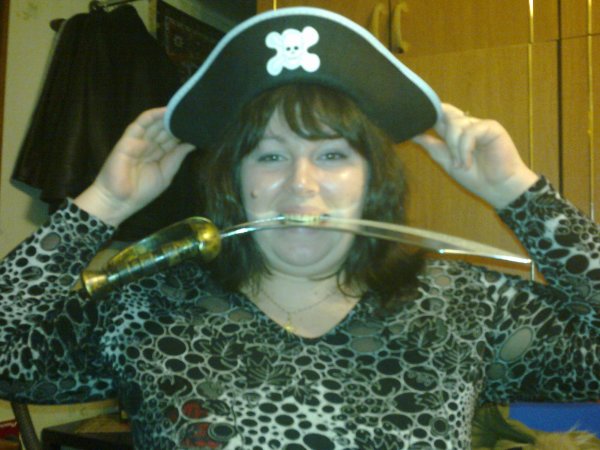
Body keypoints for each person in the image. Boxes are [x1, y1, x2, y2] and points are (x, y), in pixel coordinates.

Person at [1, 7, 598, 450]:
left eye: (332, 154)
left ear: (373, 179)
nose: (301, 183)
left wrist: (519, 193)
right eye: (269, 155)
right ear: (234, 182)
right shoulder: (147, 309)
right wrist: (102, 203)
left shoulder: (466, 306)